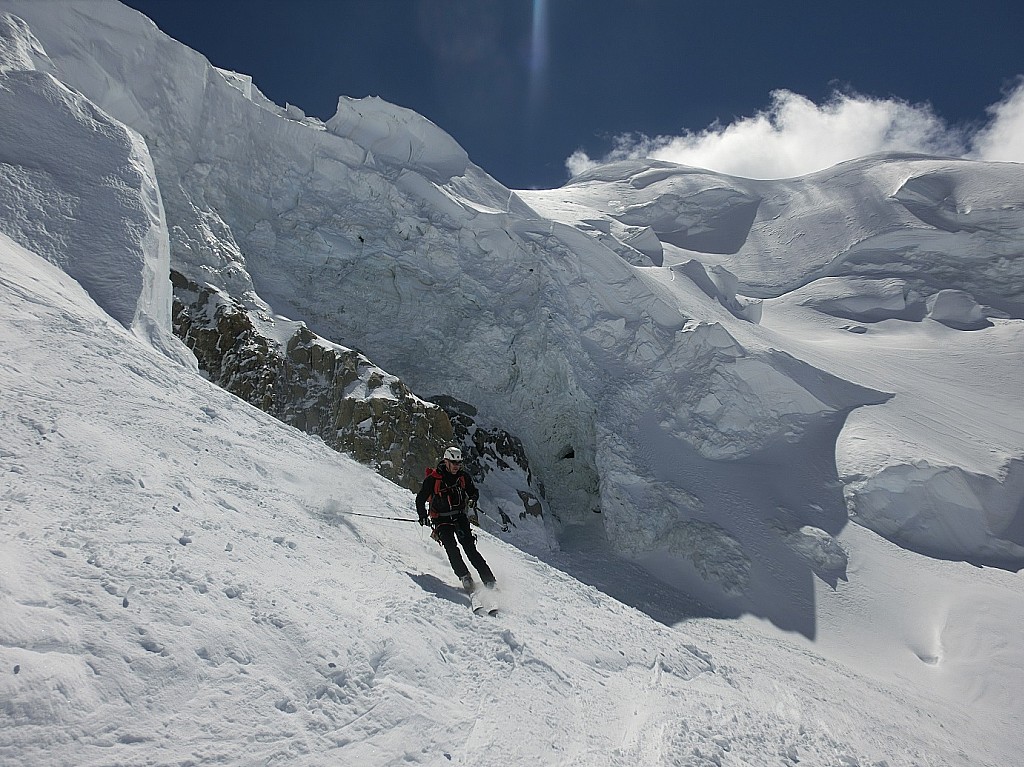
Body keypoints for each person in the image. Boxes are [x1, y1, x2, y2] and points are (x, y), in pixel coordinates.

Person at [416, 446, 496, 592]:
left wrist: (472, 499)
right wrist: (422, 517)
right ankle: (465, 576)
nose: (456, 466)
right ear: (446, 461)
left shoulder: (463, 477)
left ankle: (489, 581)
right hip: (441, 520)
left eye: (459, 463)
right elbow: (420, 499)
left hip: (459, 517)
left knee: (470, 549)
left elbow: (473, 492)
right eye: (453, 463)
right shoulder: (433, 479)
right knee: (451, 548)